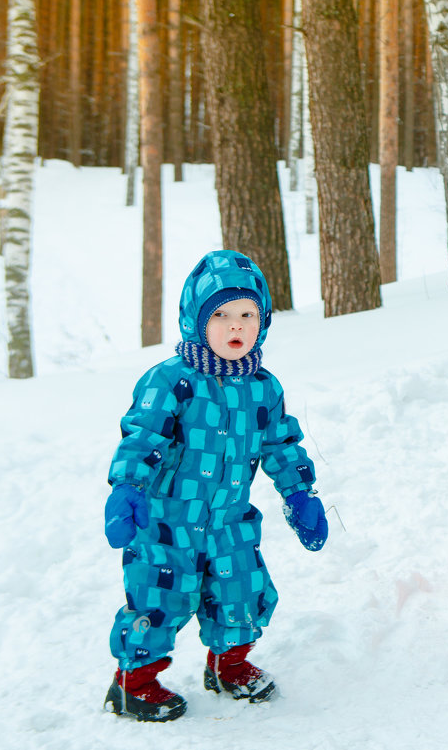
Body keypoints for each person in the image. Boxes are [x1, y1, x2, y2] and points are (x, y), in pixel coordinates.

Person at [101, 250, 328, 721]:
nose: (235, 326)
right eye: (221, 315)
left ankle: (230, 666)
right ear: (196, 320)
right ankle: (134, 682)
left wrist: (300, 494)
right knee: (160, 600)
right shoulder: (170, 382)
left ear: (262, 321)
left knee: (241, 592)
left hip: (228, 522)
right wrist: (128, 489)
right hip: (167, 523)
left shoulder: (264, 387)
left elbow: (282, 445)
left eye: (247, 314)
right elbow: (144, 437)